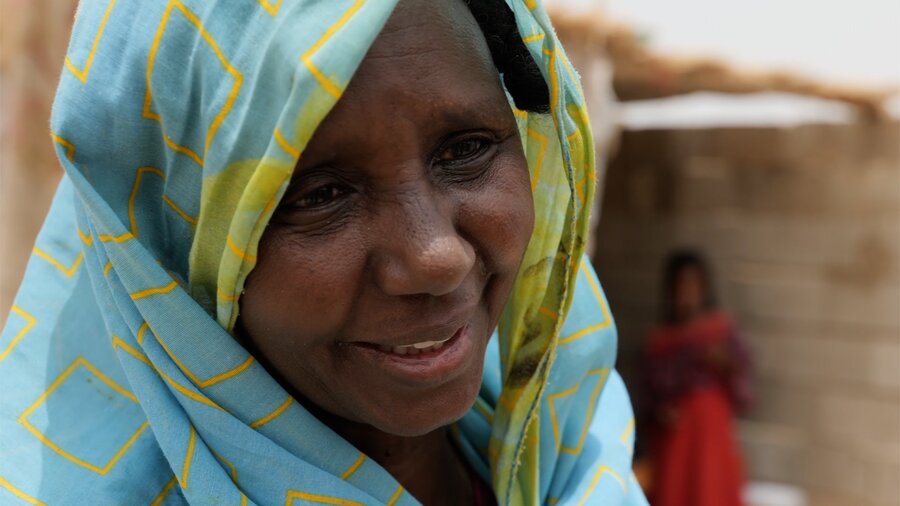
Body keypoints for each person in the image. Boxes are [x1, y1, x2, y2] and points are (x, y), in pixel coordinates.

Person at [0, 1, 648, 504]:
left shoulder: (563, 443)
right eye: (322, 193)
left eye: (466, 149)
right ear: (179, 247)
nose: (437, 256)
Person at [642, 250, 753, 506]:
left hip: (713, 433)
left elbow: (744, 384)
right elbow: (647, 393)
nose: (686, 292)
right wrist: (661, 410)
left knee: (711, 491)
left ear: (704, 287)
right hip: (675, 439)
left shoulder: (721, 329)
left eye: (693, 284)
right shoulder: (660, 340)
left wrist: (724, 363)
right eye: (680, 285)